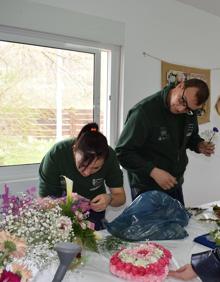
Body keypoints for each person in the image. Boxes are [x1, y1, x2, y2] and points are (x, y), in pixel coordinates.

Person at [115, 79, 215, 205]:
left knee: (179, 223)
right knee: (151, 225)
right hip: (146, 186)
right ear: (180, 85)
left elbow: (190, 136)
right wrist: (153, 171)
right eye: (181, 100)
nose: (180, 109)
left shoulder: (189, 112)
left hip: (174, 183)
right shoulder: (144, 111)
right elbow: (122, 152)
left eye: (188, 109)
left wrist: (199, 145)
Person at [39, 122, 126, 230]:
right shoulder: (57, 154)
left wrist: (109, 198)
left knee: (93, 242)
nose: (87, 173)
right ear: (74, 149)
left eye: (96, 168)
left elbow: (120, 197)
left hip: (93, 210)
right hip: (59, 210)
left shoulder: (110, 157)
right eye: (83, 165)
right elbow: (44, 202)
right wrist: (67, 203)